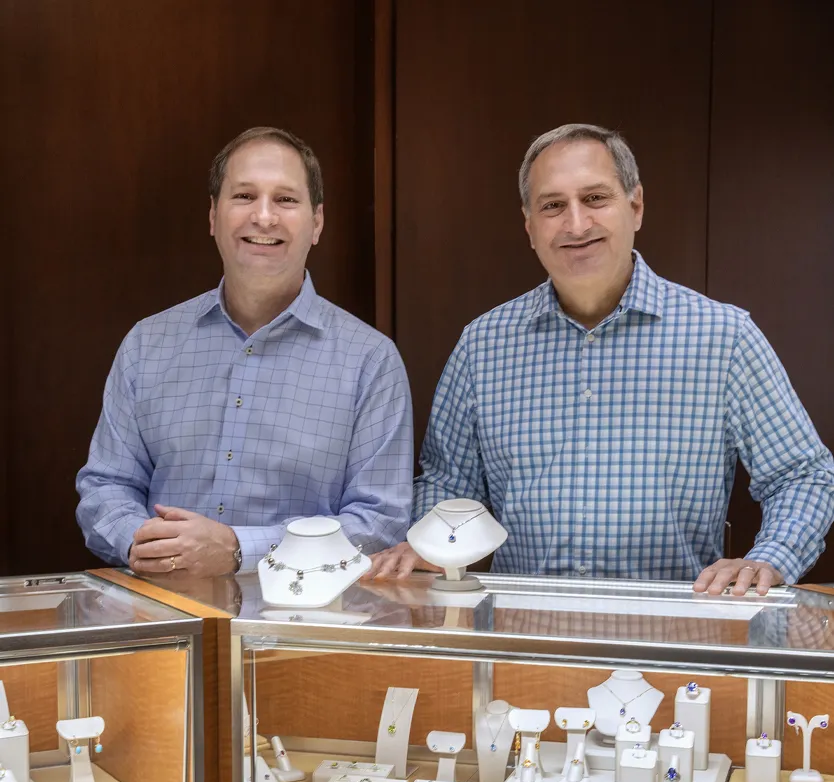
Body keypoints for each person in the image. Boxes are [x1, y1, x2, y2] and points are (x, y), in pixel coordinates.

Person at [367, 123, 834, 595]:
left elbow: (802, 475)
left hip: (678, 630)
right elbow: (449, 483)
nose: (575, 224)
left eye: (595, 198)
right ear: (530, 228)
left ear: (636, 207)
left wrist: (770, 559)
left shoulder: (724, 338)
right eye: (553, 206)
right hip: (525, 630)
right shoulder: (482, 345)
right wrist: (429, 540)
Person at [77, 127, 413, 577]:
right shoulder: (146, 344)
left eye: (286, 200)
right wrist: (144, 541)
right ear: (213, 216)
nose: (264, 216)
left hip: (306, 629)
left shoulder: (370, 361)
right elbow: (105, 487)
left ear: (317, 223)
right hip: (164, 617)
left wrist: (240, 549)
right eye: (244, 196)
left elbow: (379, 523)